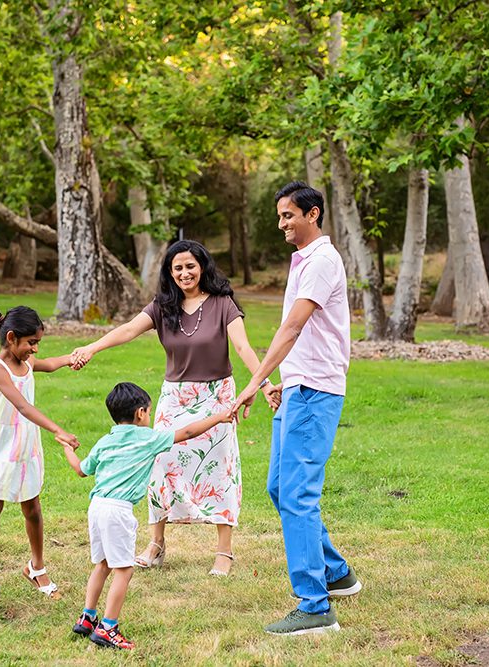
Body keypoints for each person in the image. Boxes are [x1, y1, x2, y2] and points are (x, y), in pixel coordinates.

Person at [71, 240, 276, 576]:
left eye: (190, 266)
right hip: (174, 398)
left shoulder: (223, 303)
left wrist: (263, 384)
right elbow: (128, 330)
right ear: (170, 272)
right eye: (177, 267)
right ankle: (157, 543)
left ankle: (224, 551)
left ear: (203, 267)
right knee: (161, 466)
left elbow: (242, 346)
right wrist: (92, 347)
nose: (184, 273)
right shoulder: (162, 306)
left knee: (220, 469)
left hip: (216, 396)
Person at [231, 181, 362, 635]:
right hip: (297, 388)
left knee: (297, 495)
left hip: (315, 391)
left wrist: (253, 384)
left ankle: (314, 607)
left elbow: (290, 328)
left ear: (314, 213)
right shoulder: (305, 260)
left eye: (289, 215)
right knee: (279, 487)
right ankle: (336, 572)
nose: (282, 223)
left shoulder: (323, 261)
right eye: (280, 216)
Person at [62, 382, 235, 650]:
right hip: (118, 511)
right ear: (141, 413)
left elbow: (82, 470)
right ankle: (108, 628)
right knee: (123, 570)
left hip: (96, 506)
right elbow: (187, 431)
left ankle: (88, 618)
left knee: (102, 565)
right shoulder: (148, 438)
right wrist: (219, 416)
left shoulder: (105, 441)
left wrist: (68, 450)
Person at [0, 306, 81, 606]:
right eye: (31, 342)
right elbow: (23, 407)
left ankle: (36, 566)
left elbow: (47, 364)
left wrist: (70, 359)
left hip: (24, 443)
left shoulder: (27, 361)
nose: (35, 349)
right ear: (11, 337)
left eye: (37, 343)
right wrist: (58, 430)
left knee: (32, 506)